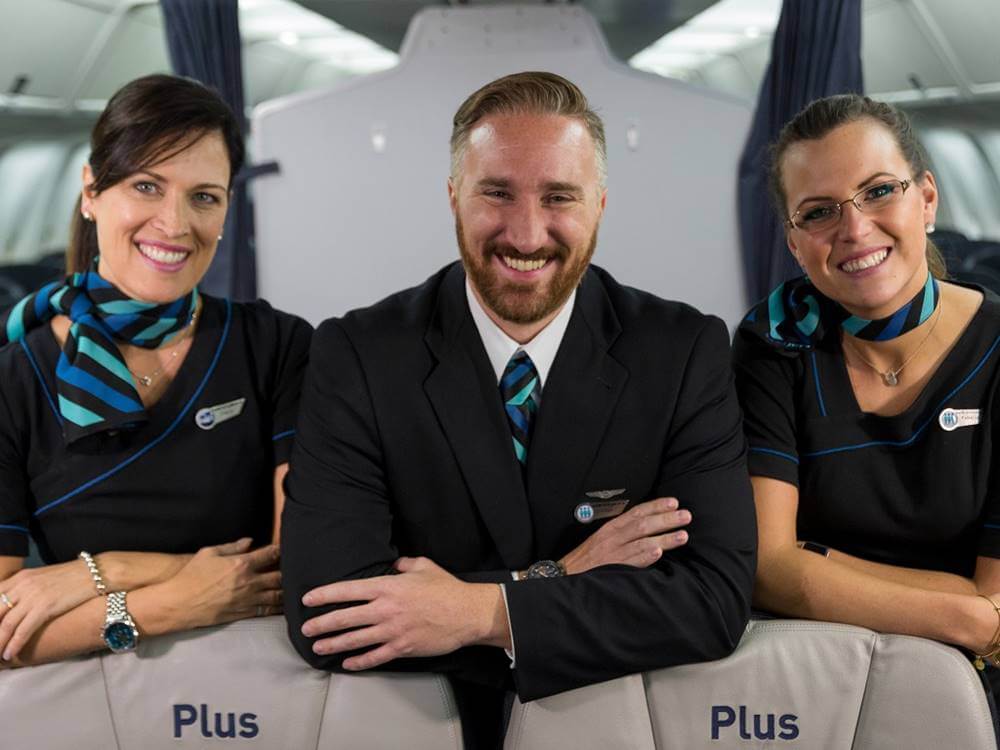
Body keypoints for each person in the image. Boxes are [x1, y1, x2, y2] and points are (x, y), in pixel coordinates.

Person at [281, 71, 756, 749]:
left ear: (599, 204)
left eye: (559, 197)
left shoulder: (681, 353)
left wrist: (478, 610)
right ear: (453, 199)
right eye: (496, 193)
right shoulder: (358, 354)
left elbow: (712, 603)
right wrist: (562, 577)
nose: (527, 234)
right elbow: (327, 615)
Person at [0, 74, 311, 667]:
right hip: (96, 701)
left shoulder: (276, 346)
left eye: (204, 196)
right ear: (91, 191)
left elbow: (291, 572)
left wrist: (103, 573)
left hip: (261, 682)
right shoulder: (12, 383)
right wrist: (172, 601)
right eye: (147, 185)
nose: (174, 224)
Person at [733, 94, 1000, 691]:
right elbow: (765, 567)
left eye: (880, 191)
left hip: (973, 688)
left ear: (926, 199)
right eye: (819, 212)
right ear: (796, 243)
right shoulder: (774, 344)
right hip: (818, 680)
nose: (854, 229)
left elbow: (997, 600)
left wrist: (818, 557)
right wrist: (959, 608)